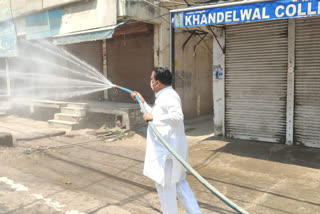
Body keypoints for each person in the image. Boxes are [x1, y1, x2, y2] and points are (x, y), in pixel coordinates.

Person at [131, 66, 202, 214]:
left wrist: (154, 117)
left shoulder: (169, 96)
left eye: (151, 79)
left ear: (157, 83)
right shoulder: (164, 95)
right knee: (180, 185)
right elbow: (154, 114)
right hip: (171, 152)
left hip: (167, 155)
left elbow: (177, 116)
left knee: (166, 189)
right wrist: (142, 102)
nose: (150, 82)